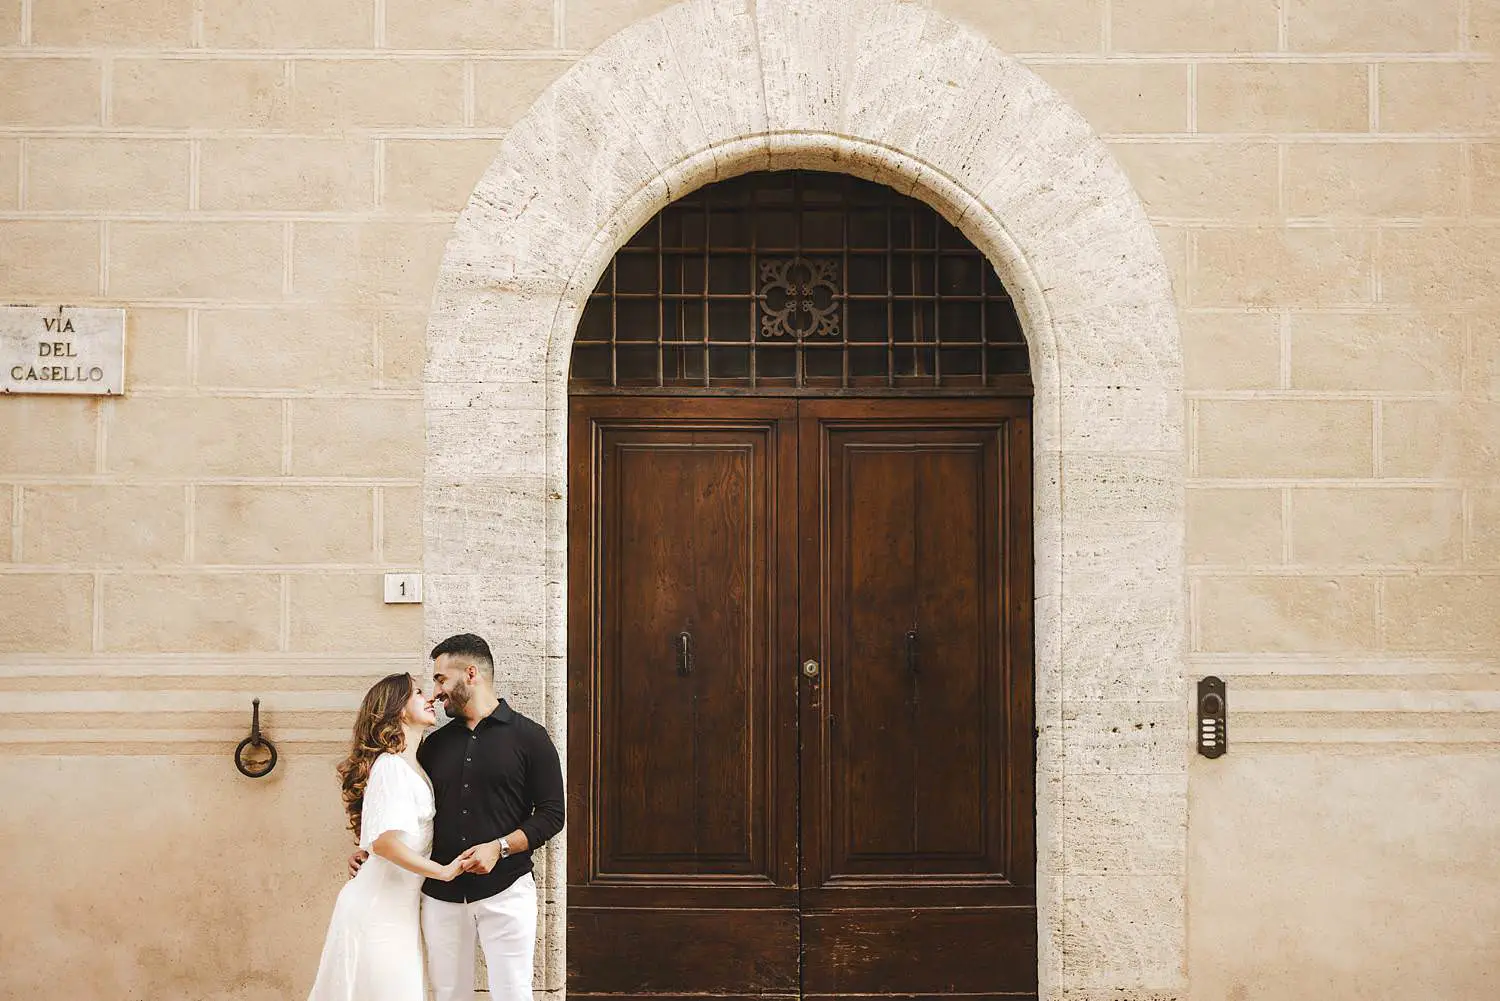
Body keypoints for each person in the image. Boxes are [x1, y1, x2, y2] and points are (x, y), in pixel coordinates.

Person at [348, 634, 566, 1001]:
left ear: (470, 673)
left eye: (440, 679)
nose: (435, 692)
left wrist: (500, 847)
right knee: (448, 995)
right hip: (439, 895)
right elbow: (400, 804)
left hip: (508, 889)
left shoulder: (531, 737)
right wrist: (368, 848)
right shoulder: (432, 744)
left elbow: (552, 814)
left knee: (514, 993)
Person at [307, 672, 469, 1001]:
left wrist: (367, 853)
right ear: (397, 709)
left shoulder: (411, 765)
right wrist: (443, 871)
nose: (431, 698)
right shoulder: (392, 766)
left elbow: (383, 840)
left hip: (397, 909)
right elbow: (385, 842)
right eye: (419, 692)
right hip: (378, 911)